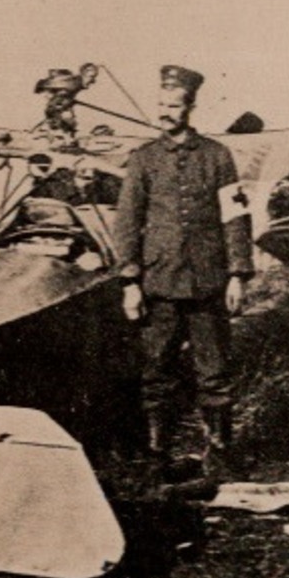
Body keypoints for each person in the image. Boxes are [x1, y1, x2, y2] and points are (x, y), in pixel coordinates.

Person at [113, 65, 254, 464]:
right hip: (159, 282)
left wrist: (237, 275)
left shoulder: (217, 156)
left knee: (215, 372)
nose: (165, 112)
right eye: (161, 104)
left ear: (190, 106)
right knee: (156, 372)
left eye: (174, 105)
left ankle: (220, 452)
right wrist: (129, 281)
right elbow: (126, 223)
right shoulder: (143, 160)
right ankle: (158, 453)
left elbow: (235, 217)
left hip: (208, 282)